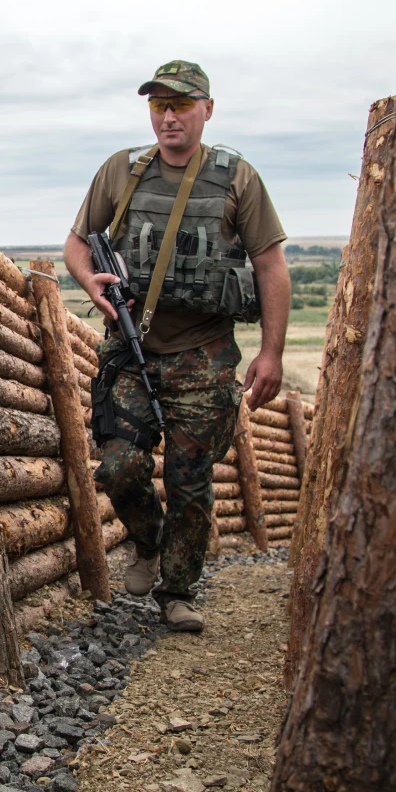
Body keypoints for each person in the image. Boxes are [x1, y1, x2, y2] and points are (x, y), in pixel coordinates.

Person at [62, 60, 291, 632]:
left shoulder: (238, 179)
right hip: (131, 350)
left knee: (191, 479)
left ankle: (178, 592)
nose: (168, 116)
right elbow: (75, 243)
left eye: (181, 105)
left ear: (206, 110)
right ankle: (147, 541)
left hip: (204, 354)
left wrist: (272, 353)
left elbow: (270, 266)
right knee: (119, 467)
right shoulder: (122, 171)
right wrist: (89, 280)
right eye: (158, 105)